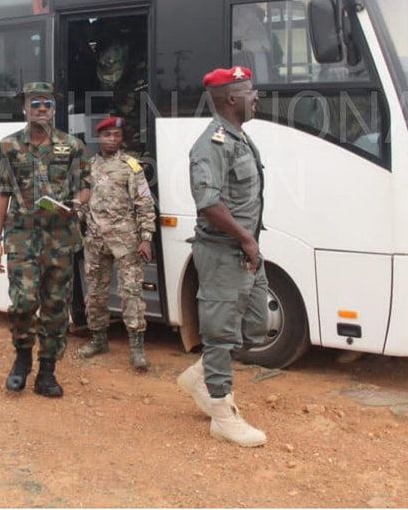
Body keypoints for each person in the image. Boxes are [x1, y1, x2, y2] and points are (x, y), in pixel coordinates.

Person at [177, 66, 268, 447]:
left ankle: (200, 375)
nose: (256, 96)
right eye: (250, 91)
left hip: (245, 249)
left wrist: (250, 242)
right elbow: (208, 203)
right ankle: (221, 412)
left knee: (258, 325)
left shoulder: (240, 138)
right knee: (218, 335)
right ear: (231, 99)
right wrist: (246, 239)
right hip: (223, 252)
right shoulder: (212, 143)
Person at [0, 81, 91, 397]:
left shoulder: (72, 146)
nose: (42, 107)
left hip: (61, 237)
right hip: (21, 237)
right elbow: (1, 193)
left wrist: (76, 202)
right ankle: (21, 360)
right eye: (35, 103)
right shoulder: (8, 147)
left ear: (54, 107)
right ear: (25, 107)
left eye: (47, 102)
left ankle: (47, 372)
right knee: (23, 301)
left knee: (56, 306)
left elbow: (85, 185)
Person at [76, 115, 156, 370]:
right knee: (96, 294)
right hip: (96, 241)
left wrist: (146, 238)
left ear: (121, 139)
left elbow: (144, 204)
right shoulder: (89, 166)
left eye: (116, 135)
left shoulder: (131, 166)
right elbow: (83, 201)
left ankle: (137, 349)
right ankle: (98, 339)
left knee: (131, 293)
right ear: (99, 138)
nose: (111, 139)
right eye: (107, 135)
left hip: (126, 241)